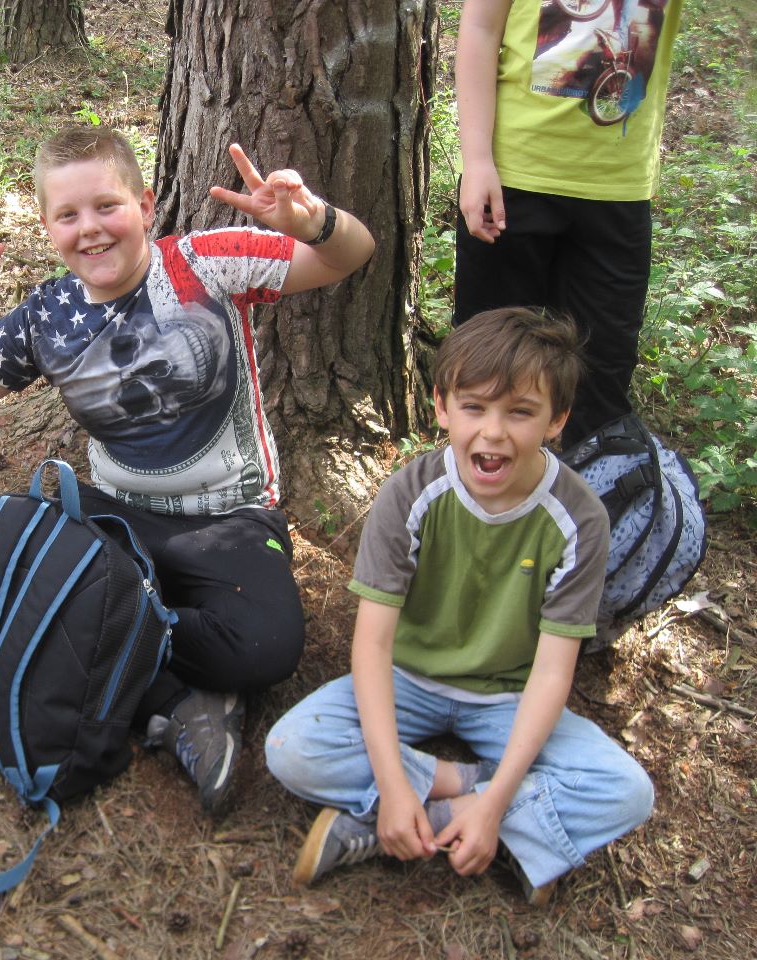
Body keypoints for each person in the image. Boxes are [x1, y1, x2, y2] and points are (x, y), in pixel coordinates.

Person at [0, 124, 375, 815]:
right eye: (67, 215)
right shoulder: (47, 315)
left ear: (145, 205)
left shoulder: (204, 263)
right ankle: (178, 699)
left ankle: (105, 641)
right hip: (119, 517)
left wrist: (316, 222)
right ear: (47, 226)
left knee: (265, 649)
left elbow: (349, 258)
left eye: (106, 206)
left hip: (233, 516)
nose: (90, 229)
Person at [265, 308, 653, 905]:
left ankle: (451, 818)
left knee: (626, 791)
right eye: (474, 407)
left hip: (508, 696)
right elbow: (369, 645)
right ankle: (467, 798)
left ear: (558, 421)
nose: (493, 433)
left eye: (520, 412)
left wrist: (493, 805)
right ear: (443, 407)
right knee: (293, 748)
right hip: (406, 680)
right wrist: (395, 784)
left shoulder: (579, 518)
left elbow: (554, 671)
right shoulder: (411, 494)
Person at [454, 0, 682, 446]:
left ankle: (590, 501)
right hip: (512, 178)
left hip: (618, 188)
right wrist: (477, 160)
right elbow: (479, 29)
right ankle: (483, 505)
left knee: (601, 376)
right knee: (488, 367)